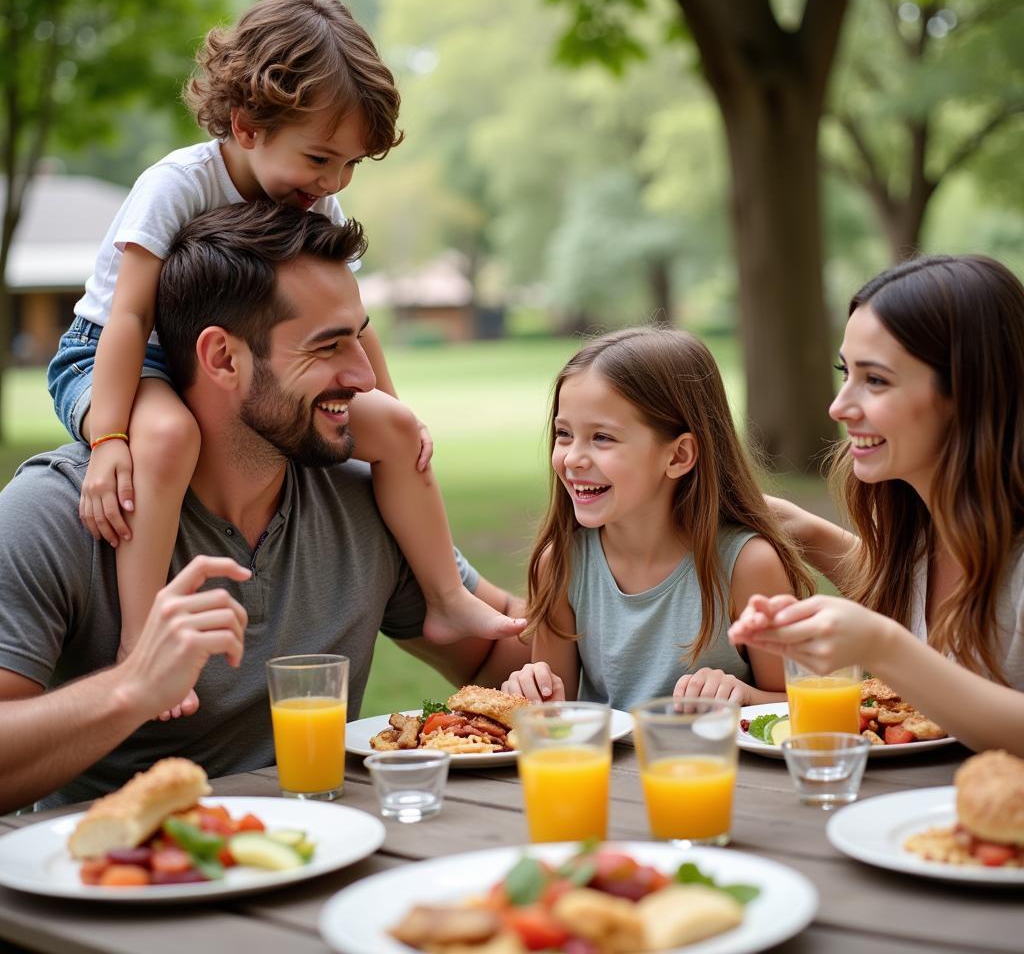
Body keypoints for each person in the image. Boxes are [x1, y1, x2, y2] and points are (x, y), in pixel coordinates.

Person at [46, 0, 523, 721]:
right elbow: (129, 314)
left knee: (392, 432)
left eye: (351, 165)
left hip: (217, 360)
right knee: (167, 437)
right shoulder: (175, 186)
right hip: (112, 356)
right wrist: (109, 437)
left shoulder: (307, 201)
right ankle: (146, 647)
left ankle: (448, 598)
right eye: (321, 157)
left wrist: (390, 406)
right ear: (247, 125)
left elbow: (353, 326)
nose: (333, 183)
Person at [0, 202, 526, 814]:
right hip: (130, 885)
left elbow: (496, 651)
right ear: (224, 358)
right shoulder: (55, 513)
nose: (364, 377)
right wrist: (132, 687)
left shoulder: (360, 493)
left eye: (360, 336)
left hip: (326, 869)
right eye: (327, 347)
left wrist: (628, 555)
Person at [729, 254, 1024, 757]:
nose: (839, 406)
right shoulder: (927, 529)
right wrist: (800, 529)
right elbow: (908, 591)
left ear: (968, 392)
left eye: (876, 380)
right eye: (846, 372)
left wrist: (882, 647)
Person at [500, 327, 813, 710]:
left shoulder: (747, 566)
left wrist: (745, 697)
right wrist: (534, 688)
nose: (572, 458)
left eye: (602, 437)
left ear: (679, 456)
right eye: (564, 434)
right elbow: (553, 714)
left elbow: (798, 708)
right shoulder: (562, 564)